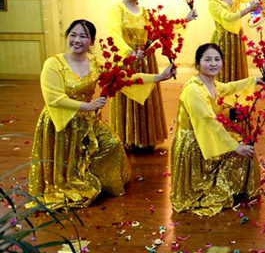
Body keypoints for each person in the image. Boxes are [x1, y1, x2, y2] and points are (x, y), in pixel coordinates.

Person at [28, 20, 174, 210]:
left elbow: (124, 78)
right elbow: (53, 98)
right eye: (73, 35)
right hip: (60, 121)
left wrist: (159, 77)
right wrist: (88, 106)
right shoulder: (53, 64)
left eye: (83, 36)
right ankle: (75, 179)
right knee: (66, 162)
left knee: (112, 143)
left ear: (91, 42)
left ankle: (91, 178)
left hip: (86, 120)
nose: (77, 40)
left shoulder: (95, 64)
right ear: (67, 37)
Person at [169, 43, 265, 216]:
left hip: (206, 137)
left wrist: (253, 81)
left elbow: (228, 88)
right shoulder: (193, 90)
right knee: (239, 148)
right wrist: (235, 147)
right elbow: (209, 122)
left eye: (217, 59)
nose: (213, 63)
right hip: (193, 147)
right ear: (197, 64)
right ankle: (220, 188)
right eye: (208, 60)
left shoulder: (210, 84)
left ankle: (232, 187)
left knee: (243, 145)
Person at [108, 0, 197, 151]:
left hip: (145, 61)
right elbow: (114, 33)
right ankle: (128, 138)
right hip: (126, 60)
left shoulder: (146, 13)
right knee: (129, 96)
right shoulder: (116, 9)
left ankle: (145, 139)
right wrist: (130, 52)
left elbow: (162, 29)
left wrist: (185, 19)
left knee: (146, 96)